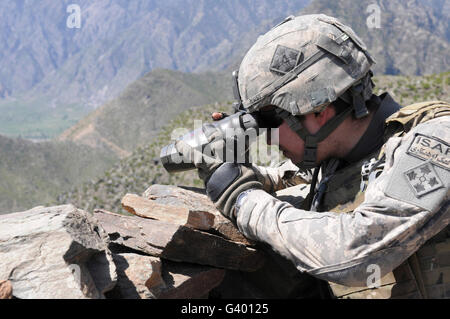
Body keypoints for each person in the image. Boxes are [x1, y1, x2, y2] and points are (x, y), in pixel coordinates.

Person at [176, 14, 450, 298]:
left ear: (318, 110)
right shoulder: (340, 157)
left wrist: (243, 200)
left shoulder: (437, 145)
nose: (267, 138)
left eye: (268, 122)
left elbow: (358, 251)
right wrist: (242, 173)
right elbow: (294, 180)